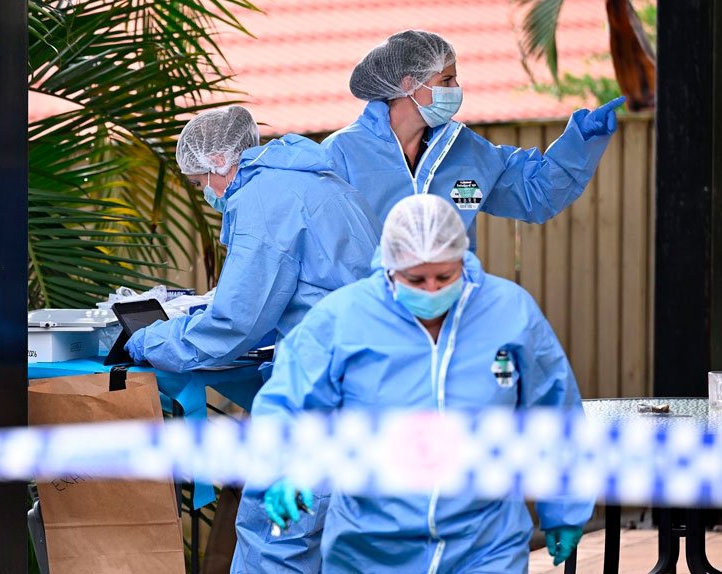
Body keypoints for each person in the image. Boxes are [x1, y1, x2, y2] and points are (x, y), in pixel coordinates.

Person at [244, 194, 592, 572]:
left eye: (445, 277)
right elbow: (287, 403)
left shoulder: (511, 312)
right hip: (370, 548)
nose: (431, 290)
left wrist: (565, 506)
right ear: (390, 268)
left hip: (485, 544)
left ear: (463, 258)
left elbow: (555, 409)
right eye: (415, 279)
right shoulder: (342, 318)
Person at [126, 104, 381, 373]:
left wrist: (155, 343)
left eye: (199, 183)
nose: (204, 194)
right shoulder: (307, 178)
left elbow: (235, 322)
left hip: (333, 361)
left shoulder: (261, 199)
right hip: (371, 348)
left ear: (217, 160)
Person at [322, 29, 625, 250]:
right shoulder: (342, 154)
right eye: (446, 80)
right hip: (370, 322)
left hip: (452, 317)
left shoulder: (464, 150)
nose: (456, 88)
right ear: (409, 84)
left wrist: (581, 139)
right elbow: (321, 248)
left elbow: (538, 193)